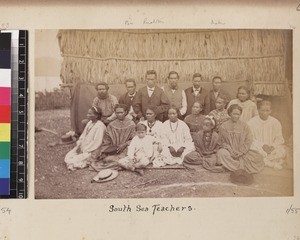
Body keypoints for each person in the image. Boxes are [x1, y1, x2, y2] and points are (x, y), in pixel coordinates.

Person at [217, 104, 264, 174]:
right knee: (221, 153)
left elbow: (248, 140)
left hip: (242, 151)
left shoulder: (245, 126)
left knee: (258, 157)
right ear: (230, 114)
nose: (236, 116)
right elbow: (222, 141)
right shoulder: (224, 126)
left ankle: (231, 166)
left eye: (238, 114)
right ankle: (240, 166)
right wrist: (230, 150)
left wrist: (241, 152)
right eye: (234, 114)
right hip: (229, 151)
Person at [64, 106, 106, 171]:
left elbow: (97, 142)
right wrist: (79, 145)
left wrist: (85, 149)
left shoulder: (100, 126)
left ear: (97, 115)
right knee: (69, 156)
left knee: (74, 161)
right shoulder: (89, 123)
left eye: (90, 114)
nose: (87, 115)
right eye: (88, 113)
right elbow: (83, 135)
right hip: (85, 147)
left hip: (93, 149)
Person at [247, 100, 286, 169]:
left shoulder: (275, 122)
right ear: (258, 110)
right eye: (262, 110)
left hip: (271, 148)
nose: (265, 113)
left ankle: (265, 161)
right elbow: (250, 138)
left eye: (267, 110)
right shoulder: (251, 122)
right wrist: (262, 145)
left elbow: (279, 138)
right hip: (258, 147)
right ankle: (271, 163)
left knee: (282, 151)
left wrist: (272, 147)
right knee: (251, 151)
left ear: (271, 111)